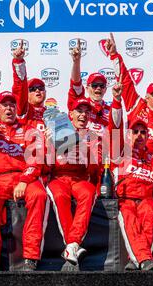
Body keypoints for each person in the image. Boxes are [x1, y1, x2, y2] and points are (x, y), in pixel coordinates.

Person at [0, 91, 49, 272]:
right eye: (4, 105)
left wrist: (25, 180)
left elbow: (36, 159)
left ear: (17, 108)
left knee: (40, 195)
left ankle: (31, 258)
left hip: (25, 175)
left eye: (12, 105)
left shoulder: (28, 129)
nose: (8, 108)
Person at [45, 97, 105, 266]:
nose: (83, 115)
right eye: (79, 111)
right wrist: (48, 143)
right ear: (70, 114)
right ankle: (73, 245)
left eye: (87, 112)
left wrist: (84, 150)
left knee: (89, 192)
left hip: (80, 178)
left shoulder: (93, 137)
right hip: (59, 178)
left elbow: (95, 167)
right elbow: (46, 163)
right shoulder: (56, 129)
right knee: (59, 195)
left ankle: (71, 245)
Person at [106, 32, 153, 155]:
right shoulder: (137, 105)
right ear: (147, 98)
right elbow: (125, 79)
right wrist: (114, 55)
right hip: (129, 159)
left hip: (150, 166)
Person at [114, 118, 153, 271]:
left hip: (147, 199)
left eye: (143, 132)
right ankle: (144, 259)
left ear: (148, 136)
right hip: (125, 199)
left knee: (150, 215)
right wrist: (118, 101)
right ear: (127, 135)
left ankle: (137, 260)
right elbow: (114, 127)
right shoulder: (119, 152)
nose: (139, 135)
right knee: (129, 218)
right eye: (135, 132)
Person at [68, 38, 110, 136]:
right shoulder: (80, 103)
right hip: (80, 148)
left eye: (101, 86)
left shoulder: (111, 111)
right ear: (87, 88)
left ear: (105, 89)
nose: (98, 88)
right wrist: (76, 61)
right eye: (94, 85)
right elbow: (76, 83)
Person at [12, 41, 48, 132]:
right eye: (32, 89)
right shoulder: (24, 109)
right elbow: (19, 88)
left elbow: (64, 142)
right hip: (28, 145)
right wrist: (18, 62)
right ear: (26, 94)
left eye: (40, 88)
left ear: (45, 92)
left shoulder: (52, 114)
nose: (37, 90)